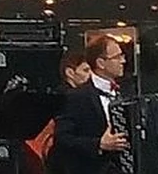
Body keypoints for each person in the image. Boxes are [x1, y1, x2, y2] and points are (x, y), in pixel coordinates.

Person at [52, 36, 131, 174]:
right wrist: (99, 144)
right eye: (117, 57)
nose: (123, 61)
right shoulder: (76, 97)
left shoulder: (127, 92)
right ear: (101, 63)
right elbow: (62, 139)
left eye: (122, 56)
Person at [30, 52, 91, 174]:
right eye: (85, 70)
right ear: (70, 73)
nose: (90, 75)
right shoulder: (65, 99)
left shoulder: (60, 96)